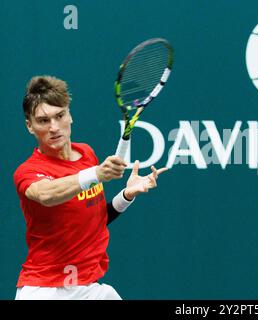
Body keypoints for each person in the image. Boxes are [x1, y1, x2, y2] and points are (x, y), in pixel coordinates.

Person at [13, 75, 168, 300]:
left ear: (70, 115)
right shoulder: (27, 171)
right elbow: (46, 194)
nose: (54, 127)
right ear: (30, 126)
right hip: (45, 291)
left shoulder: (86, 153)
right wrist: (96, 173)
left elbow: (93, 220)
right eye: (43, 121)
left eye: (59, 116)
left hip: (87, 289)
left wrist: (126, 195)